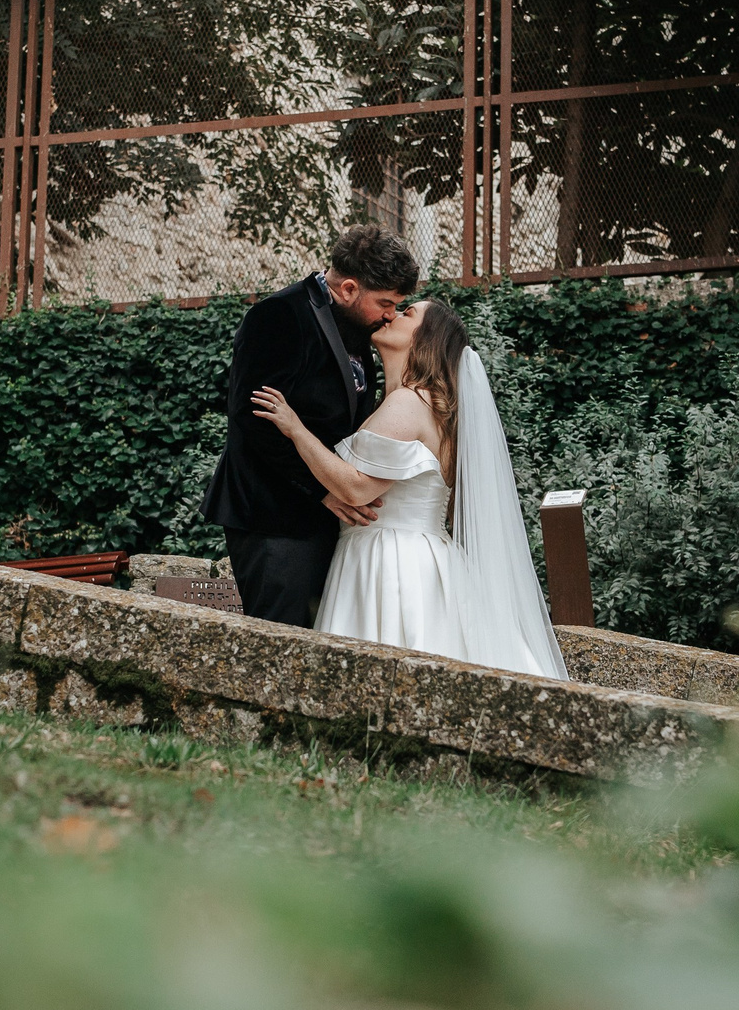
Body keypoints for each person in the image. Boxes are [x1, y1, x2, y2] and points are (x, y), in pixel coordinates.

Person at [249, 298, 567, 680]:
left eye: (408, 313)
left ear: (425, 338)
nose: (392, 315)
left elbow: (356, 489)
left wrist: (296, 430)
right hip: (425, 554)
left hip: (393, 559)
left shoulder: (408, 403)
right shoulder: (433, 407)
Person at [200, 226, 420, 625]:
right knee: (281, 640)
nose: (392, 314)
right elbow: (256, 419)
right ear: (350, 288)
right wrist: (322, 491)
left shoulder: (358, 328)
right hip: (274, 520)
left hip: (323, 521)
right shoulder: (279, 315)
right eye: (385, 302)